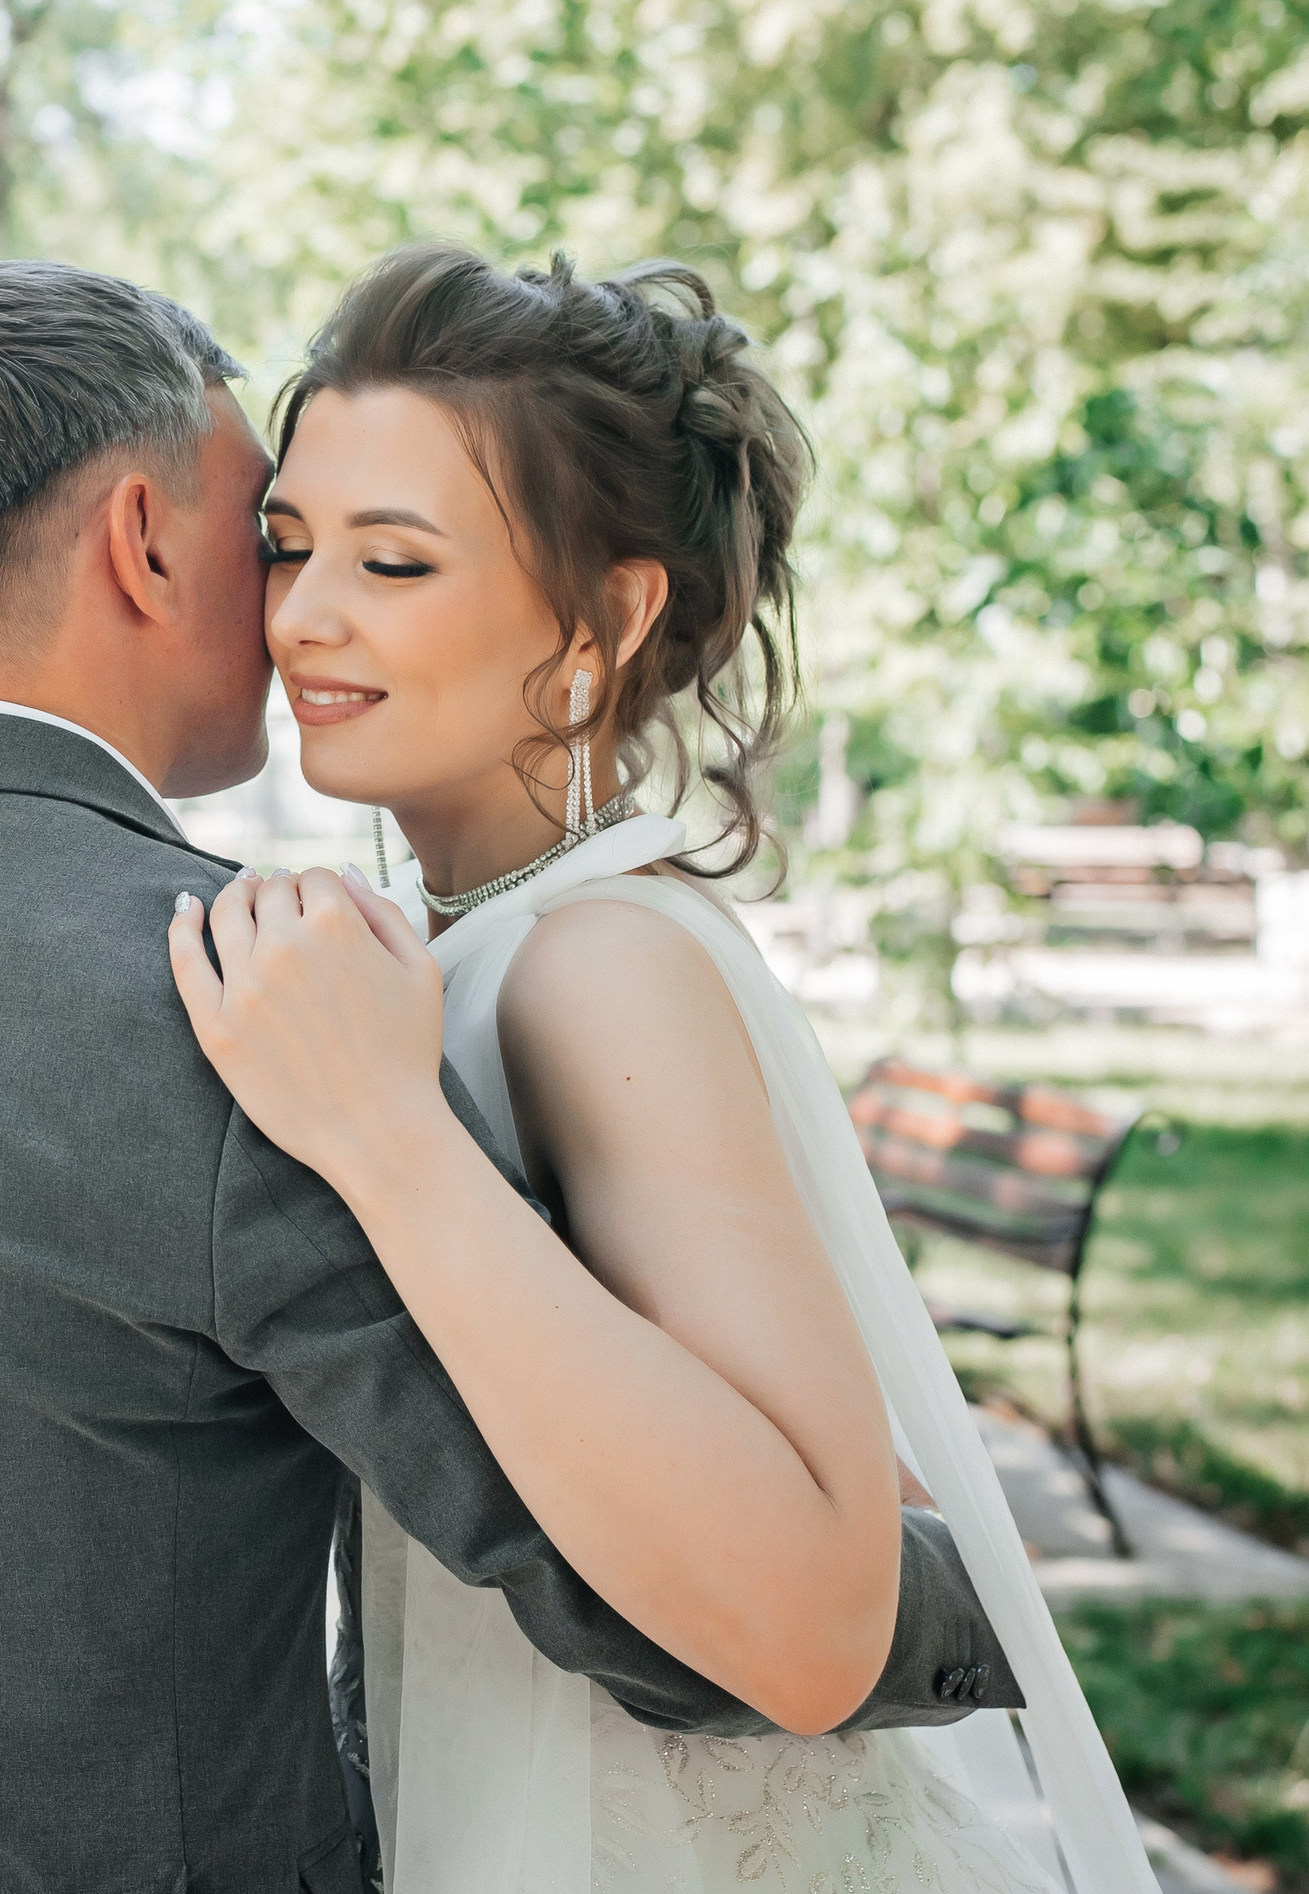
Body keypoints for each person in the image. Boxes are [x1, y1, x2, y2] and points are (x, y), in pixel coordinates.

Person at [0, 256, 1019, 1894]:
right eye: (266, 537)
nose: (292, 610)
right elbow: (642, 1606)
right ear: (145, 545)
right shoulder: (248, 996)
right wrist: (966, 1608)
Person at [168, 244, 1156, 1894]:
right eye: (288, 545)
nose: (303, 614)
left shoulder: (603, 963)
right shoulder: (484, 945)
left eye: (395, 562)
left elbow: (815, 1623)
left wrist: (384, 1136)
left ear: (608, 617)